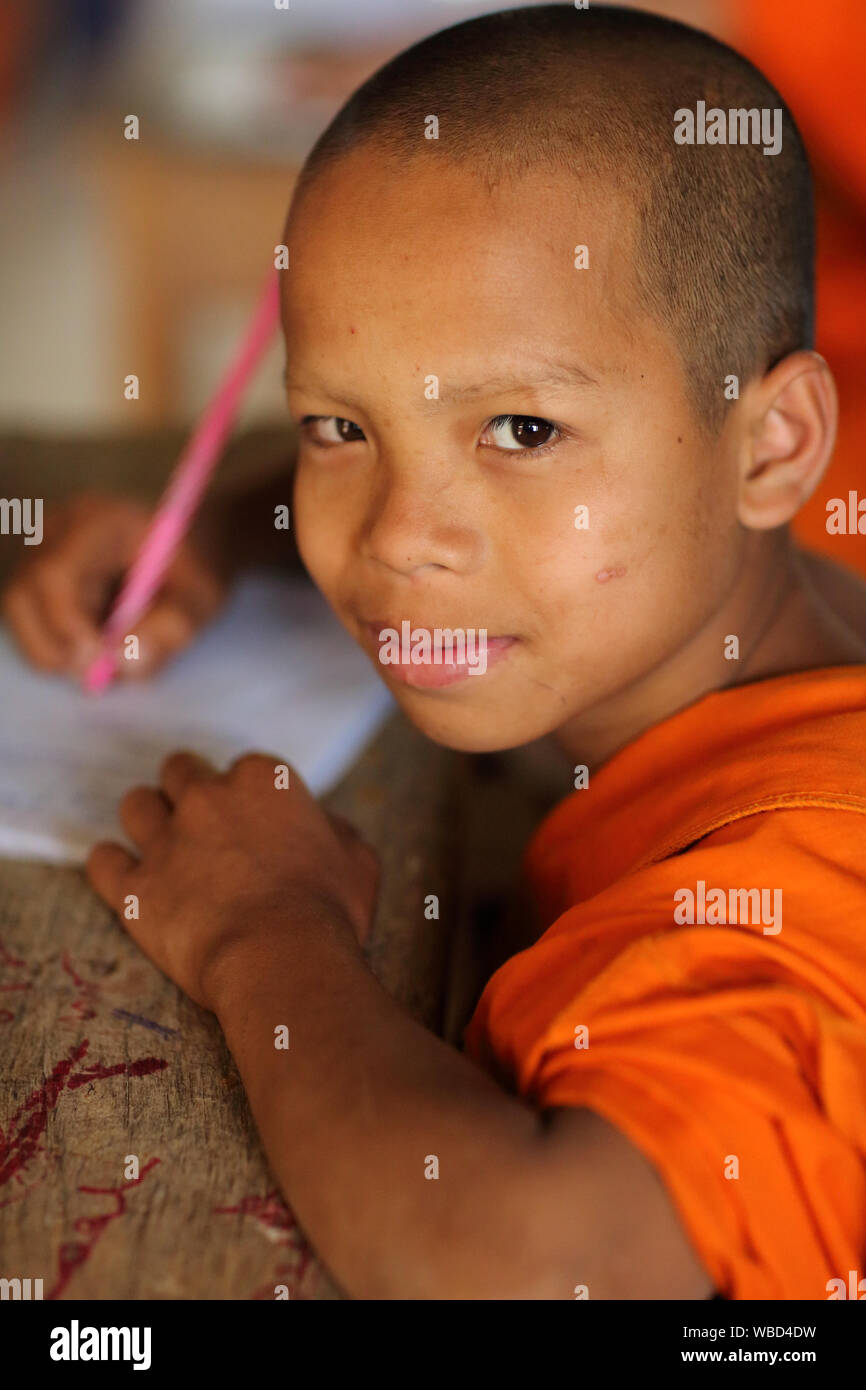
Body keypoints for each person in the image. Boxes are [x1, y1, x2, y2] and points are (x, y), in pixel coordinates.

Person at [4, 6, 866, 1298]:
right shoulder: (794, 618)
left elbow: (523, 1263)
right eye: (335, 425)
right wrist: (226, 532)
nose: (399, 538)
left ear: (771, 444)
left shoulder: (779, 879)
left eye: (520, 428)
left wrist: (264, 933)